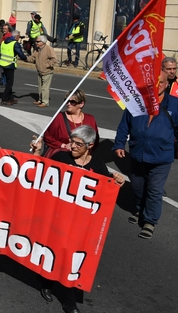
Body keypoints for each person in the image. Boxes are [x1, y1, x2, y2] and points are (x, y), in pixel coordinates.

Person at [31, 125, 125, 313]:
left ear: (89, 145)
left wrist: (117, 183)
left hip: (80, 225)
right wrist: (38, 152)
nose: (71, 146)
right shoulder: (60, 157)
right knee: (52, 253)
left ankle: (69, 301)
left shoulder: (98, 166)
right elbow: (38, 173)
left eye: (77, 144)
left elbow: (104, 193)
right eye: (71, 141)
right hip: (57, 219)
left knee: (70, 260)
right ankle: (47, 283)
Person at [113, 71, 178, 239]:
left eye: (161, 83)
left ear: (166, 84)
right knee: (137, 186)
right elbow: (124, 125)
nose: (158, 86)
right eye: (154, 83)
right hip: (138, 153)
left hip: (161, 157)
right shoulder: (135, 103)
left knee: (155, 190)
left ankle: (150, 220)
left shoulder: (175, 105)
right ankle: (140, 210)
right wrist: (119, 143)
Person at [42, 89, 99, 158]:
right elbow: (47, 136)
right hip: (61, 156)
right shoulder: (59, 117)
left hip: (81, 158)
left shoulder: (90, 119)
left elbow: (94, 140)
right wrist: (62, 145)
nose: (68, 104)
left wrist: (84, 152)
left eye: (72, 102)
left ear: (81, 104)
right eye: (66, 101)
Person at [0, 30, 27, 105]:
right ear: (16, 36)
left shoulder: (3, 42)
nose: (19, 37)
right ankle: (4, 99)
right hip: (9, 65)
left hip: (2, 64)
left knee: (8, 81)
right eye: (19, 36)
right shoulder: (15, 43)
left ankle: (11, 98)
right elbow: (20, 53)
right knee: (10, 83)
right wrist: (25, 59)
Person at [26, 34, 57, 107]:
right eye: (36, 41)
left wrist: (47, 65)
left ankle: (45, 102)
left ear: (43, 42)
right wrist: (25, 58)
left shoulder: (49, 49)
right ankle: (40, 100)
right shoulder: (37, 49)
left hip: (47, 71)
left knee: (45, 88)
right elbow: (32, 58)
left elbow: (54, 59)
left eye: (37, 42)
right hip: (40, 71)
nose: (36, 43)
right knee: (40, 87)